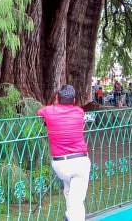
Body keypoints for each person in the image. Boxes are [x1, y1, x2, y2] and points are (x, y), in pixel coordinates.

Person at [37, 84, 91, 221]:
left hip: (60, 165)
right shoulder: (79, 112)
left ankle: (68, 216)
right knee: (77, 202)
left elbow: (39, 112)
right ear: (73, 101)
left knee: (69, 192)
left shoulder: (48, 111)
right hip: (80, 162)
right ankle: (72, 217)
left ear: (56, 98)